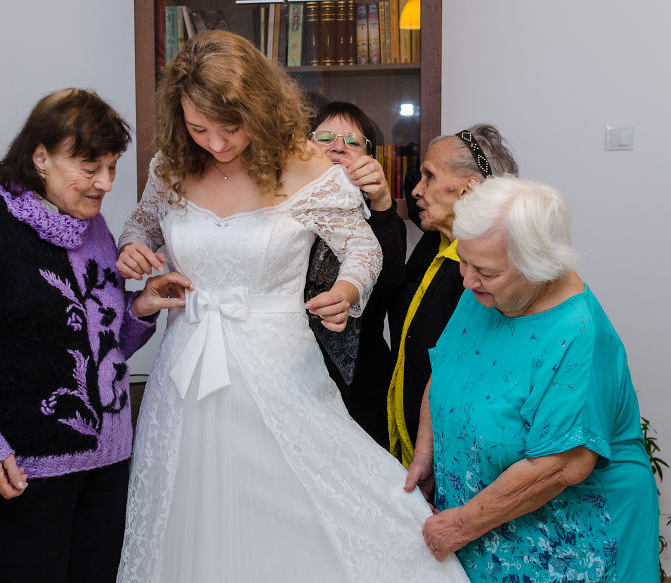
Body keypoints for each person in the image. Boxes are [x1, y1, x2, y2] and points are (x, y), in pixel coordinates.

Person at [114, 31, 469, 582]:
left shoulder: (303, 165)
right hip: (185, 372)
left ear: (257, 106)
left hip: (279, 367)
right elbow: (139, 228)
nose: (217, 143)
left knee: (306, 499)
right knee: (191, 506)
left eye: (230, 127)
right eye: (198, 127)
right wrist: (132, 250)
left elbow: (362, 247)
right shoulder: (171, 167)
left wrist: (348, 292)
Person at [0, 88, 187, 582]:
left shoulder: (94, 228)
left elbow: (100, 347)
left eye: (112, 165)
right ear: (41, 158)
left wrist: (140, 305)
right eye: (90, 167)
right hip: (15, 478)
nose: (105, 182)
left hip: (102, 472)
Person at [404, 176, 659, 582]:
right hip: (487, 522)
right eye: (463, 261)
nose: (467, 281)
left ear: (537, 267)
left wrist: (461, 525)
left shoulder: (578, 333)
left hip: (569, 540)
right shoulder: (485, 290)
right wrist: (426, 455)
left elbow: (561, 465)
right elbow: (447, 371)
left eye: (483, 270)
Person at [386, 124, 518, 466]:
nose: (416, 190)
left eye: (428, 176)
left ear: (467, 190)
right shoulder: (435, 241)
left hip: (450, 460)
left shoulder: (488, 276)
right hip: (407, 448)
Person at [305, 101, 406, 444]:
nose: (337, 146)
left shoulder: (379, 217)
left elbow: (389, 284)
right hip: (296, 372)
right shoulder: (284, 211)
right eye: (325, 136)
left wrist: (381, 202)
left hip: (364, 381)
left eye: (353, 142)